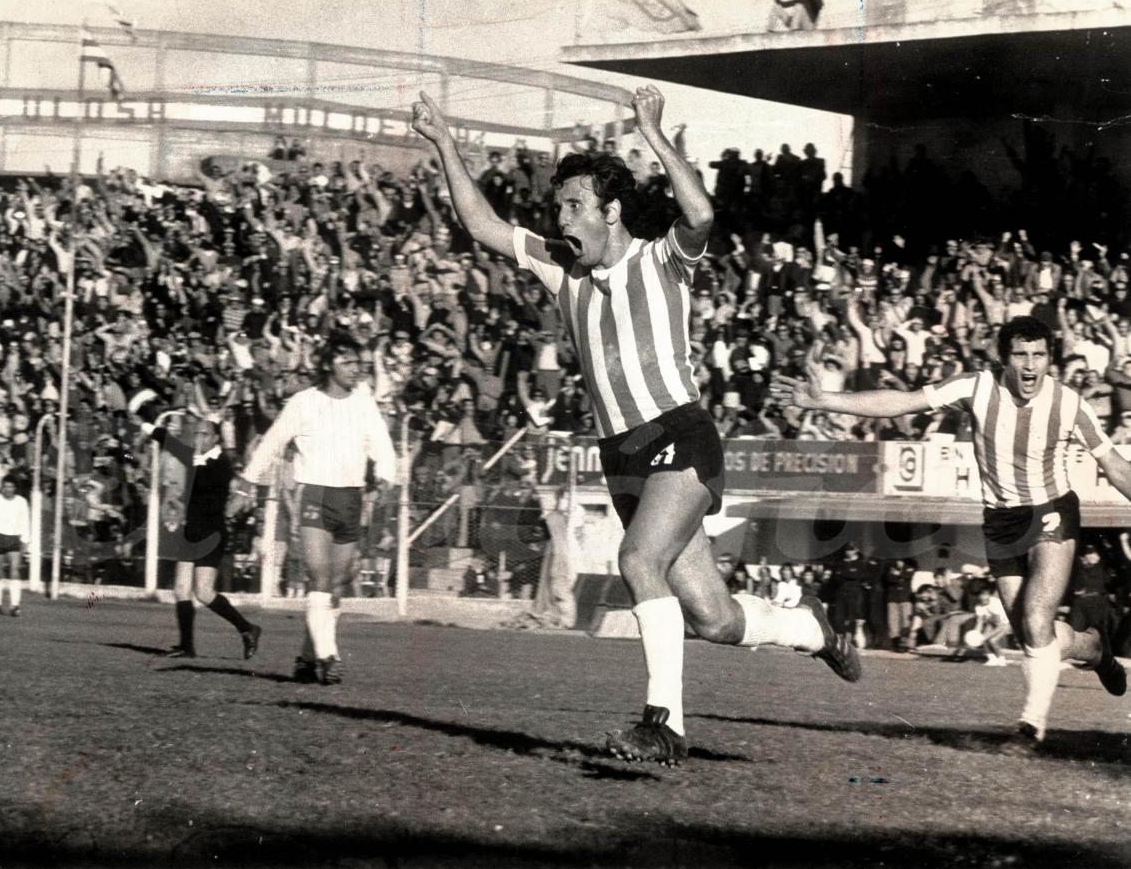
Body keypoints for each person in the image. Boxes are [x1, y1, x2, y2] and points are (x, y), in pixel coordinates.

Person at [412, 83, 860, 767]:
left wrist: (653, 135)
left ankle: (663, 722)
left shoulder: (660, 258)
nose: (560, 217)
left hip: (681, 433)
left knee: (636, 561)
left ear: (611, 210)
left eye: (573, 205)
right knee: (712, 616)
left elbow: (703, 212)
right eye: (557, 204)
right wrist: (445, 143)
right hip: (621, 452)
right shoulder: (562, 268)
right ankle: (810, 627)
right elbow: (483, 227)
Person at [773, 315, 1130, 754]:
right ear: (1003, 358)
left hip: (1051, 511)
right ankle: (1093, 648)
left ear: (1050, 359)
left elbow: (1115, 467)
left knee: (1037, 618)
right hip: (1000, 520)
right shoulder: (976, 387)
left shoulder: (1069, 403)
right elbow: (901, 402)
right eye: (1020, 354)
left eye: (1039, 354)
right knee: (1032, 633)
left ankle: (1029, 730)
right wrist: (824, 400)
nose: (1030, 365)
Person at [228, 333, 397, 686]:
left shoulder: (364, 402)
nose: (356, 369)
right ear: (327, 365)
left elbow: (381, 442)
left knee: (336, 583)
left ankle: (306, 658)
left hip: (351, 499)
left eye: (358, 363)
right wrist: (247, 482)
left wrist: (385, 476)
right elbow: (273, 441)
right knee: (319, 577)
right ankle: (328, 656)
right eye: (347, 362)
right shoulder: (303, 402)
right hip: (317, 496)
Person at [136, 411, 262, 660]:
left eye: (204, 434)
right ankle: (186, 646)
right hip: (192, 530)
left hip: (211, 534)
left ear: (215, 438)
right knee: (181, 589)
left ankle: (247, 628)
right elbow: (169, 442)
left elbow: (205, 482)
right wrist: (147, 427)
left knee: (203, 592)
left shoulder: (220, 463)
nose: (198, 439)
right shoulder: (196, 458)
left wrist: (191, 461)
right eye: (196, 434)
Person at [0, 476, 29, 617]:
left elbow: (25, 521)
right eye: (6, 486)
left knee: (14, 571)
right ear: (2, 487)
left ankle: (15, 606)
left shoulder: (21, 502)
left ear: (15, 488)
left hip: (14, 538)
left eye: (11, 486)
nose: (8, 489)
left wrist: (25, 540)